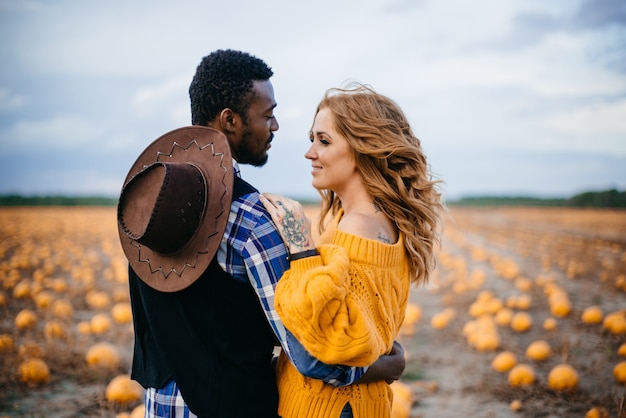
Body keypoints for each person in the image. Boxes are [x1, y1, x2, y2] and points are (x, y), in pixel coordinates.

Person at [117, 50, 404, 418]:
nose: (275, 126)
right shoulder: (253, 219)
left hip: (161, 408)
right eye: (267, 115)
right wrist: (380, 367)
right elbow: (308, 353)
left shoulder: (148, 207)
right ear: (230, 120)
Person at [260, 83, 444, 418]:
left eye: (324, 141)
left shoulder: (358, 227)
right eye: (312, 139)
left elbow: (330, 345)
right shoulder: (373, 221)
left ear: (363, 148)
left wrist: (301, 249)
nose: (310, 152)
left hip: (330, 410)